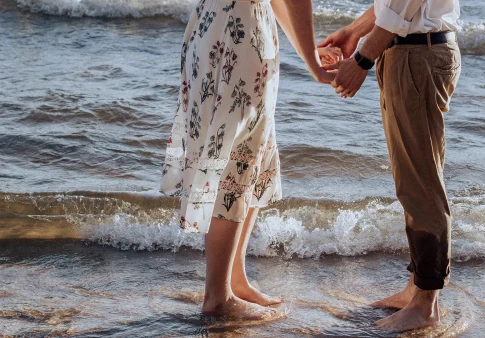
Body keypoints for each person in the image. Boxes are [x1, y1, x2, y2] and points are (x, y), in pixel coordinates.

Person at [160, 0, 339, 320]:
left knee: (247, 150)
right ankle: (218, 296)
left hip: (213, 26)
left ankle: (234, 280)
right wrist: (312, 61)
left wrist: (307, 51)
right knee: (236, 156)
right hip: (239, 36)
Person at [320, 0, 461, 332]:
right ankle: (418, 290)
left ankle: (426, 304)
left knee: (421, 186)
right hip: (410, 53)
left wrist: (362, 58)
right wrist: (355, 32)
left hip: (416, 56)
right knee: (412, 184)